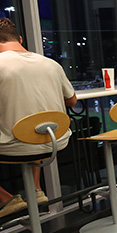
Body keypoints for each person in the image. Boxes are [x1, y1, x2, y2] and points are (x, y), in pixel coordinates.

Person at [0, 17, 77, 218]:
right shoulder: (51, 64)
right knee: (35, 123)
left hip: (14, 147)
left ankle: (6, 199)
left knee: (20, 128)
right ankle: (35, 189)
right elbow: (72, 101)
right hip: (53, 141)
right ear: (21, 39)